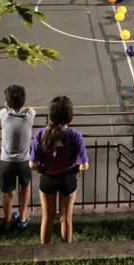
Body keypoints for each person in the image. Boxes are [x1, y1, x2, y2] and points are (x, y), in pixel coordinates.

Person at [29, 96, 89, 244]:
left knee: (47, 218)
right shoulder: (75, 136)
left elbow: (32, 164)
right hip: (68, 179)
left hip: (48, 179)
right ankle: (65, 252)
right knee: (66, 219)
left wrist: (43, 169)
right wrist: (75, 169)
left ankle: (44, 252)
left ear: (51, 115)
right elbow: (84, 165)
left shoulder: (41, 134)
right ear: (70, 117)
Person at [0, 84, 36, 231]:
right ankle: (23, 217)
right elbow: (32, 109)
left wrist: (7, 106)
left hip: (6, 161)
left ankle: (7, 222)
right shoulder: (30, 115)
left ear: (7, 103)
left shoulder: (4, 115)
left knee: (8, 193)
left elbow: (3, 110)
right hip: (24, 161)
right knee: (25, 186)